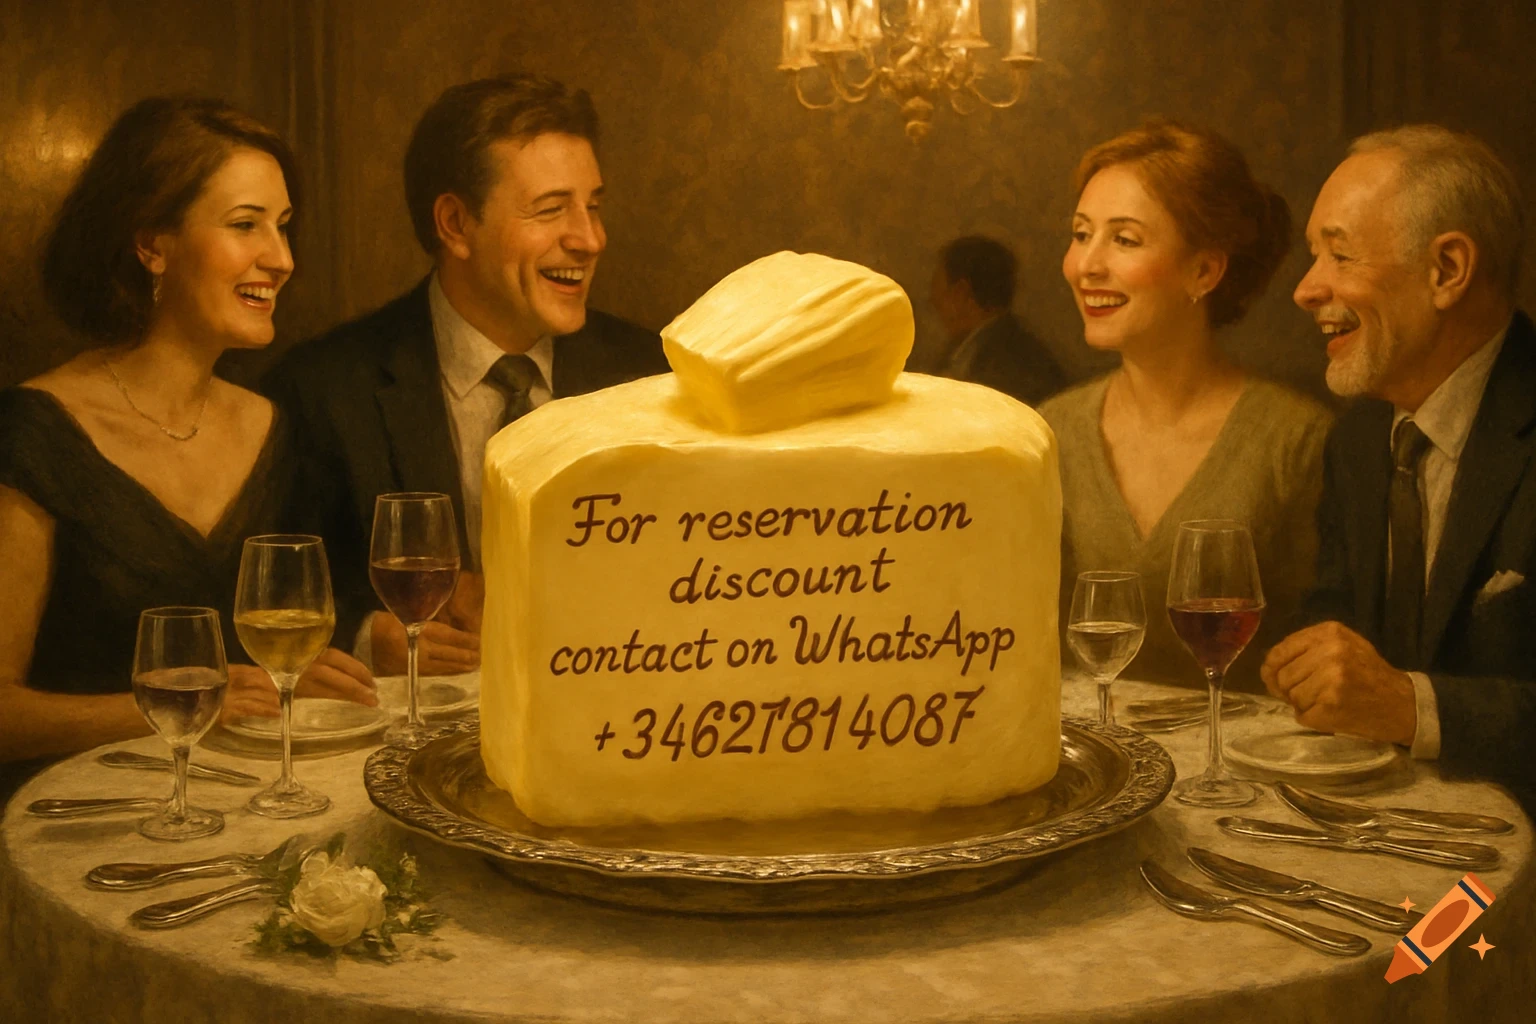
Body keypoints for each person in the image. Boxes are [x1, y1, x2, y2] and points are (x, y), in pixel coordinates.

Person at [0, 98, 375, 786]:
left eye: (284, 227)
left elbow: (268, 646)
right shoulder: (34, 432)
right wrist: (180, 706)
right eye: (245, 225)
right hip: (74, 816)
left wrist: (308, 668)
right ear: (152, 243)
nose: (282, 258)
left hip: (238, 801)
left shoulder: (270, 425)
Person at [265, 74, 669, 677]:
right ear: (455, 224)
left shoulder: (649, 375)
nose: (590, 239)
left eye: (594, 207)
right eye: (552, 210)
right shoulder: (326, 387)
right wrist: (361, 635)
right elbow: (276, 592)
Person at [1262, 126, 1536, 807]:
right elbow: (1339, 610)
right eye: (1311, 255)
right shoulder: (1358, 437)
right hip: (1390, 838)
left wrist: (1411, 706)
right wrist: (1310, 662)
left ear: (1447, 270)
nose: (1304, 289)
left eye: (1339, 254)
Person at [1040, 119, 1334, 691]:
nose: (1086, 266)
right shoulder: (1049, 431)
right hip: (1090, 758)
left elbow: (1319, 656)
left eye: (1123, 240)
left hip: (1243, 769)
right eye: (1081, 234)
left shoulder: (1297, 440)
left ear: (1204, 269)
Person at [928, 235, 1065, 405]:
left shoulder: (1008, 365)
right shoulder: (971, 351)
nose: (933, 300)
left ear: (961, 292)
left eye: (937, 287)